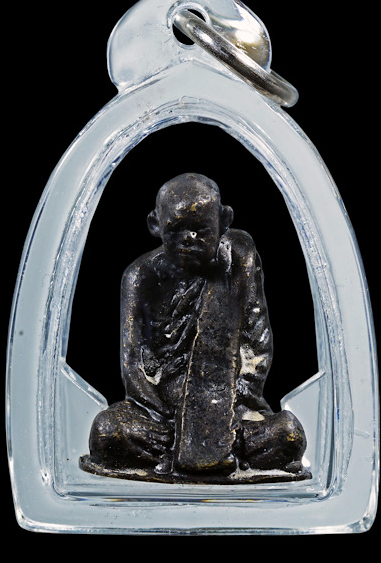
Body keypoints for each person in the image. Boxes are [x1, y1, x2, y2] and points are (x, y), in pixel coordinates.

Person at [86, 173, 308, 480]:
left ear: (224, 221)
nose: (188, 239)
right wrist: (173, 413)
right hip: (160, 414)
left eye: (201, 230)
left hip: (230, 405)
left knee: (288, 433)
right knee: (107, 431)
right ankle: (191, 449)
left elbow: (256, 348)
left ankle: (215, 446)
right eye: (176, 229)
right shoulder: (140, 277)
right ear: (155, 225)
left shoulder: (237, 262)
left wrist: (228, 405)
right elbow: (133, 365)